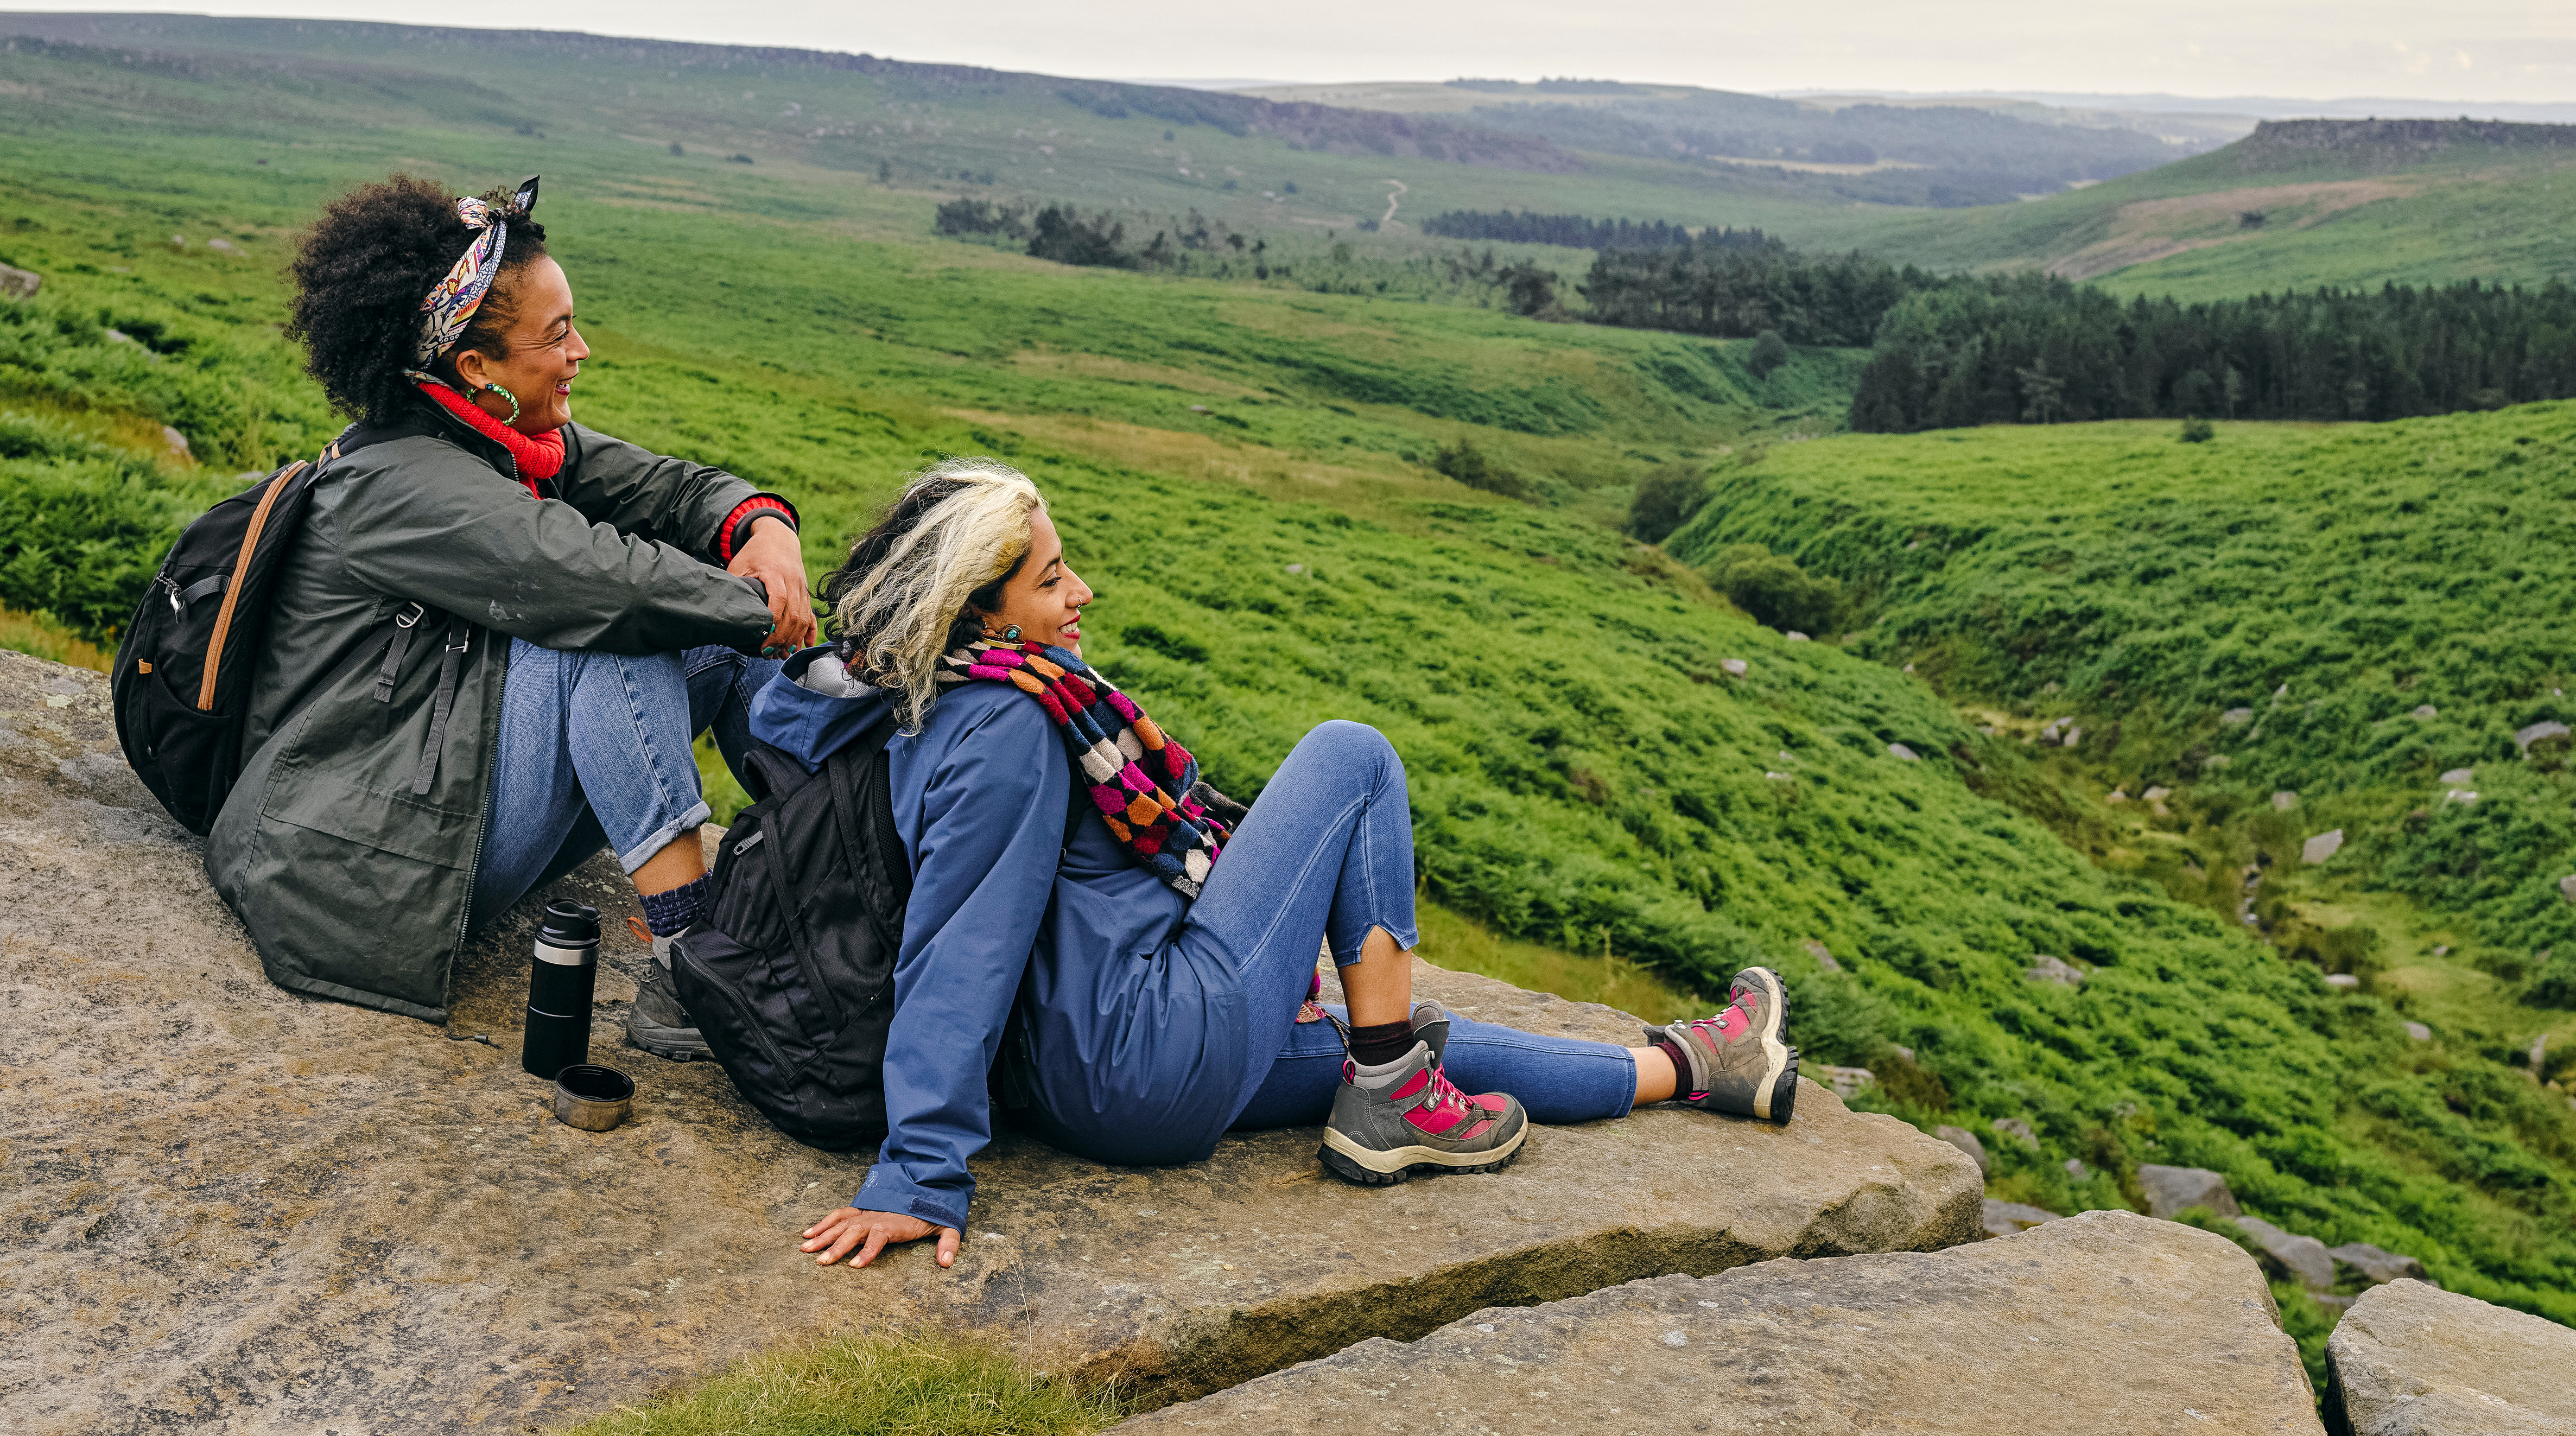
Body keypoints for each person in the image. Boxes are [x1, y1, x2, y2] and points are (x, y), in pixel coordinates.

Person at [771, 459, 1800, 1271]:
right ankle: (1394, 1095)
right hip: (1141, 1049)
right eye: (1049, 578)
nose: (1081, 590)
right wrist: (918, 1174)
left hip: (1089, 1057)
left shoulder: (926, 689)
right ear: (980, 608)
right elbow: (963, 945)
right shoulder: (1004, 724)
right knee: (1353, 756)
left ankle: (1696, 1068)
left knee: (1404, 1035)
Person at [205, 173, 817, 1053]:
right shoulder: (399, 485)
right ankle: (692, 962)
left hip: (457, 780)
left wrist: (763, 531)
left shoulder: (500, 435)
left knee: (723, 647)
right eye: (558, 333)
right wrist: (758, 607)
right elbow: (601, 584)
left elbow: (674, 488)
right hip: (368, 850)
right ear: (476, 369)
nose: (583, 352)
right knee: (620, 634)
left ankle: (833, 886)